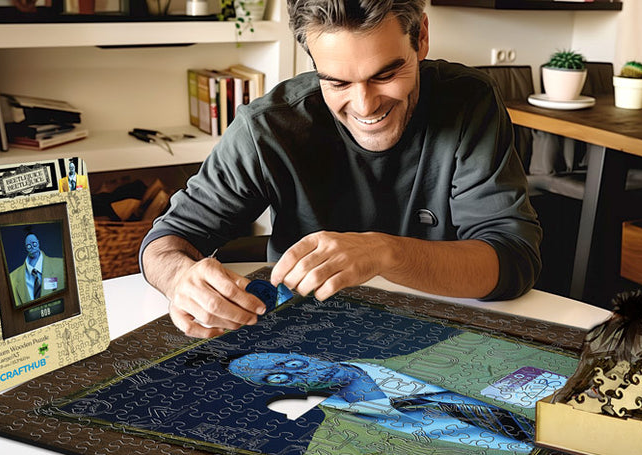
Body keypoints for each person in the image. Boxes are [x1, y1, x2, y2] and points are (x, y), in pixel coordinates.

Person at [140, 0, 542, 338]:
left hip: (441, 334)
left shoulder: (469, 102)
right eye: (337, 83)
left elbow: (513, 258)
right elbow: (165, 243)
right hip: (300, 339)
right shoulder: (268, 127)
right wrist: (180, 280)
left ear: (421, 37)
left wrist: (385, 252)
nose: (365, 106)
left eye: (386, 74)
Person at [229, 352, 534, 455]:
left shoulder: (459, 349)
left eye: (293, 363)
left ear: (303, 353)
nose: (303, 372)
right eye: (279, 377)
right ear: (278, 388)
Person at [8, 229, 66, 307]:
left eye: (34, 243)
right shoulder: (12, 278)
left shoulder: (61, 265)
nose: (32, 247)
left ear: (38, 242)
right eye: (29, 246)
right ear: (26, 247)